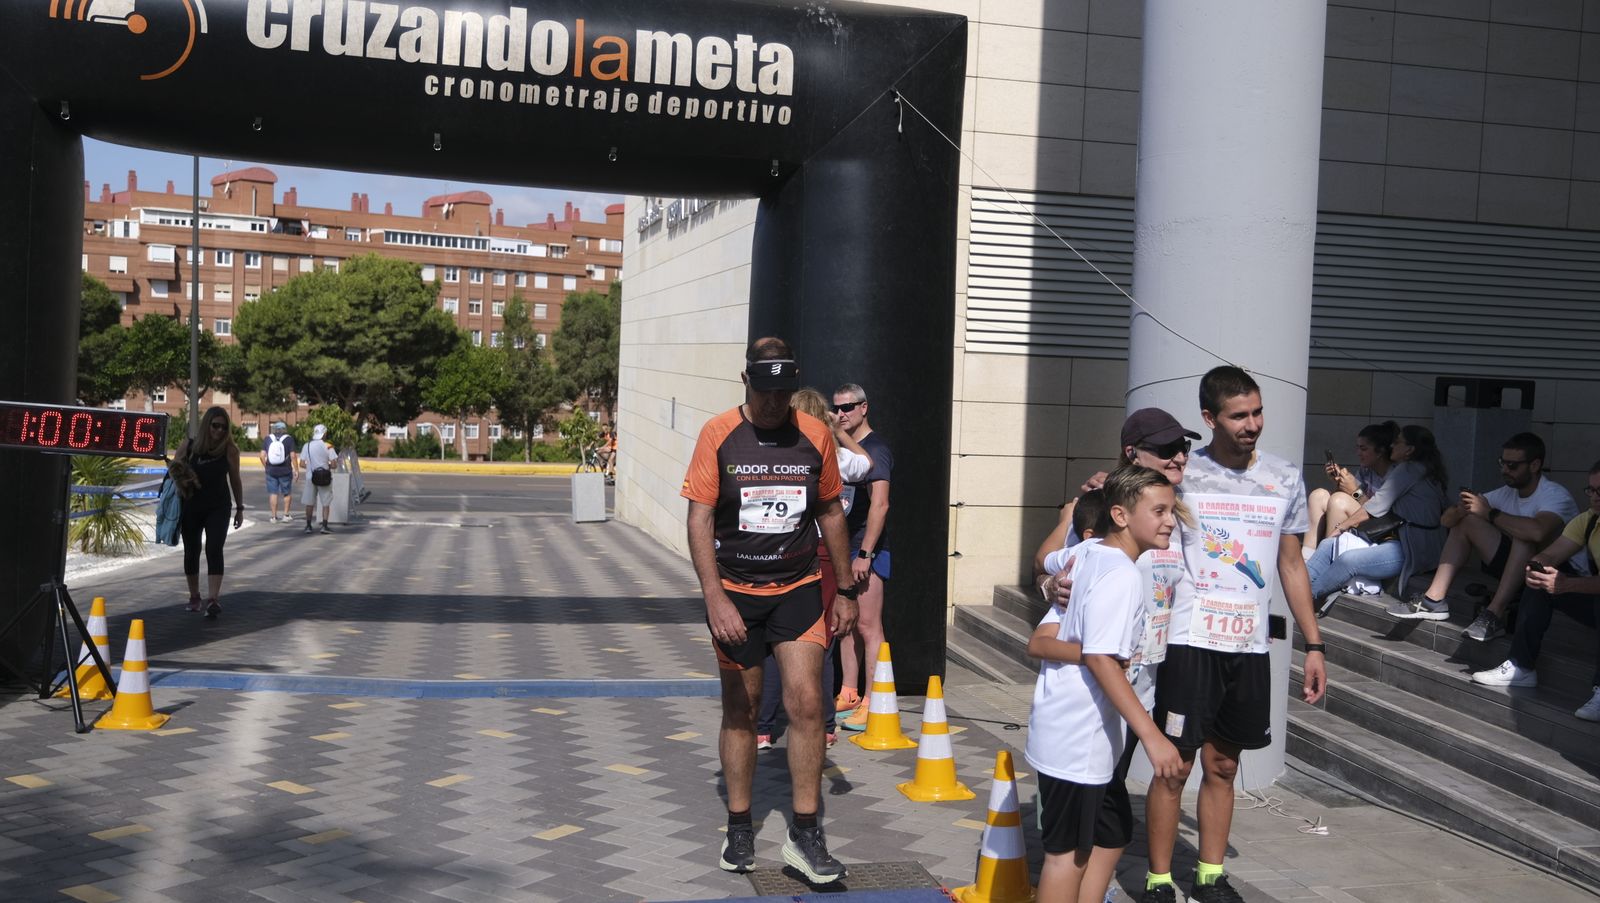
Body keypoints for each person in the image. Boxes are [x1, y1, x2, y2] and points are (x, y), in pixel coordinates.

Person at [1139, 366, 1327, 903]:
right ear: (1209, 418)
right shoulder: (1183, 475)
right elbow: (1128, 509)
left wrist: (1314, 645)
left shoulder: (1285, 478)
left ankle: (1210, 875)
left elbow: (1291, 566)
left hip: (1248, 646)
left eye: (1258, 412)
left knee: (1224, 764)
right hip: (1189, 641)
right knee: (1173, 766)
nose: (1252, 425)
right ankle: (1157, 881)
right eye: (1238, 415)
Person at [681, 338, 859, 884]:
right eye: (766, 392)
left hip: (799, 587)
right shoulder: (718, 434)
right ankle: (740, 824)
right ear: (746, 382)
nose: (774, 403)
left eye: (783, 392)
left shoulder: (813, 436)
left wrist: (846, 589)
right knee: (744, 708)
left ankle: (805, 832)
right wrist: (713, 596)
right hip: (735, 591)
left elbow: (830, 510)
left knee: (807, 703)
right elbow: (699, 521)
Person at [1025, 466, 1183, 903]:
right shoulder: (1122, 576)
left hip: (1066, 728)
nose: (1170, 520)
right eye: (1159, 511)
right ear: (1121, 514)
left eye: (1172, 509)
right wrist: (1153, 738)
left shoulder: (1089, 550)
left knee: (1111, 832)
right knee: (1066, 857)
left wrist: (1059, 545)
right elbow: (1100, 658)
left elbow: (1049, 558)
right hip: (1080, 737)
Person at [756, 388, 874, 751]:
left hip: (783, 549)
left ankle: (763, 726)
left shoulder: (783, 455)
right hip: (825, 552)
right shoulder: (834, 455)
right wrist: (838, 432)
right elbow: (866, 464)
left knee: (776, 638)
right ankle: (823, 724)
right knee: (821, 639)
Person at [1390, 432, 1579, 642]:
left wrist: (1489, 513)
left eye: (1512, 466)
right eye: (1502, 463)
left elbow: (1538, 531)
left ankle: (1493, 615)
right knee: (1468, 522)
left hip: (1560, 574)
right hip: (1521, 572)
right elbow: (1446, 521)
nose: (1505, 470)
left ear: (1534, 465)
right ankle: (1433, 600)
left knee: (1524, 536)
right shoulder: (1507, 491)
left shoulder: (1554, 494)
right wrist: (1463, 509)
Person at [1472, 459, 1600, 722]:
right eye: (1592, 490)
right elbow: (1552, 552)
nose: (1595, 498)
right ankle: (1521, 665)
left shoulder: (1555, 496)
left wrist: (1565, 584)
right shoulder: (1587, 520)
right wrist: (1537, 566)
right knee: (1540, 581)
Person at [1304, 424, 1449, 603]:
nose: (1392, 446)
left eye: (1397, 442)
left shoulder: (1408, 469)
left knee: (1348, 560)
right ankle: (1299, 590)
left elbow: (1375, 508)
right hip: (1397, 540)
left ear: (1409, 450)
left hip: (1412, 549)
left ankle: (1305, 600)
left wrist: (1341, 527)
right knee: (1328, 545)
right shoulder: (1418, 469)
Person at [831, 382, 892, 731]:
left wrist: (865, 553)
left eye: (849, 407)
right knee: (845, 625)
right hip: (844, 548)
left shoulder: (877, 449)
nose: (842, 414)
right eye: (837, 409)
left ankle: (873, 700)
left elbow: (880, 504)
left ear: (864, 407)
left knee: (869, 626)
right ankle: (849, 692)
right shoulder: (845, 447)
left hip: (865, 549)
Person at [175, 406, 245, 619]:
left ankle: (213, 599)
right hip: (191, 505)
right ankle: (195, 596)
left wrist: (240, 508)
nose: (220, 431)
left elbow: (235, 479)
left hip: (219, 507)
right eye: (215, 426)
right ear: (207, 425)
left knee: (214, 548)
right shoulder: (189, 446)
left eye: (224, 428)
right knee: (192, 550)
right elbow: (174, 470)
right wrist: (184, 478)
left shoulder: (230, 450)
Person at [1305, 421, 1397, 550]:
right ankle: (1307, 558)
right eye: (1358, 447)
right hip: (1362, 518)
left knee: (1339, 501)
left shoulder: (1395, 476)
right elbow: (1353, 498)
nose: (1358, 453)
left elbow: (1378, 513)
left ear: (1380, 451)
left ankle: (1326, 557)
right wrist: (1339, 483)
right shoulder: (1366, 470)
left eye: (1364, 449)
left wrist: (1354, 490)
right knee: (1318, 496)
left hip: (1381, 528)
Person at [301, 424, 339, 534]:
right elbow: (334, 465)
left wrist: (311, 466)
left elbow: (302, 464)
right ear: (324, 434)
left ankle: (308, 526)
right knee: (325, 503)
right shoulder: (328, 446)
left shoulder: (306, 445)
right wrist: (325, 466)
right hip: (325, 478)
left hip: (310, 477)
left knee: (309, 503)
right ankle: (324, 526)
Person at [259, 420, 299, 523]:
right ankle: (285, 515)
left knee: (273, 493)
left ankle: (273, 517)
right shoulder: (289, 439)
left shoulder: (268, 438)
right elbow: (293, 456)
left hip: (271, 471)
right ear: (284, 429)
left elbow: (262, 456)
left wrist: (266, 466)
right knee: (287, 493)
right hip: (285, 470)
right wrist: (296, 470)